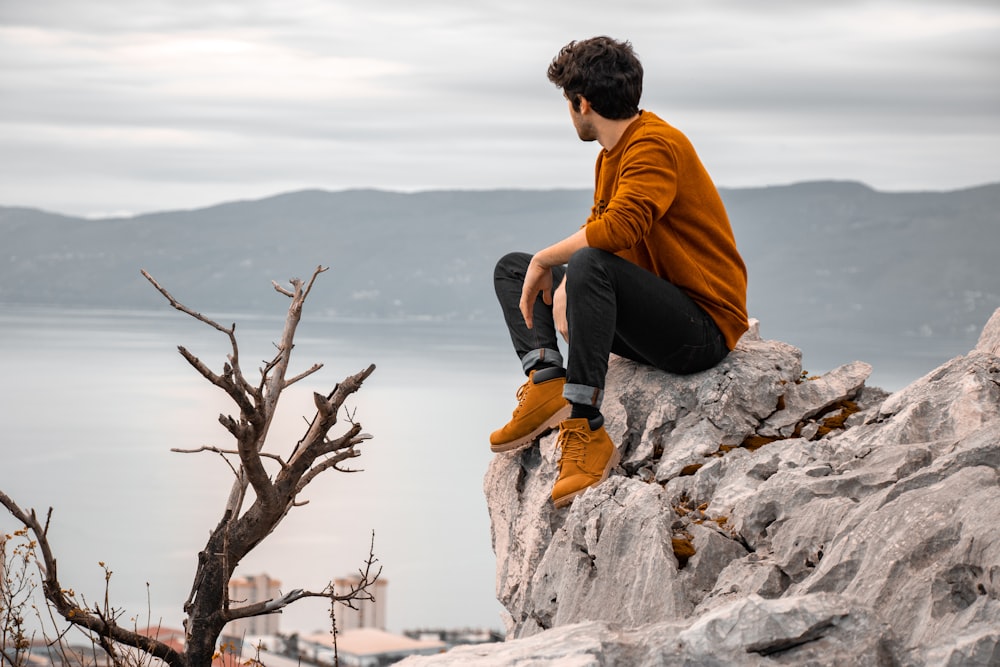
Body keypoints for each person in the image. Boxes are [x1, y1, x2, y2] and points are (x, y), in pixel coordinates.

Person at [489, 36, 749, 509]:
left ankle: (586, 425)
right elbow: (603, 232)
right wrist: (560, 277)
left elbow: (619, 228)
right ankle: (547, 381)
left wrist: (555, 262)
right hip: (651, 323)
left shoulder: (656, 144)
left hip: (701, 331)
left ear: (581, 103)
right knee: (513, 269)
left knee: (576, 261)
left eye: (568, 104)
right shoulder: (612, 155)